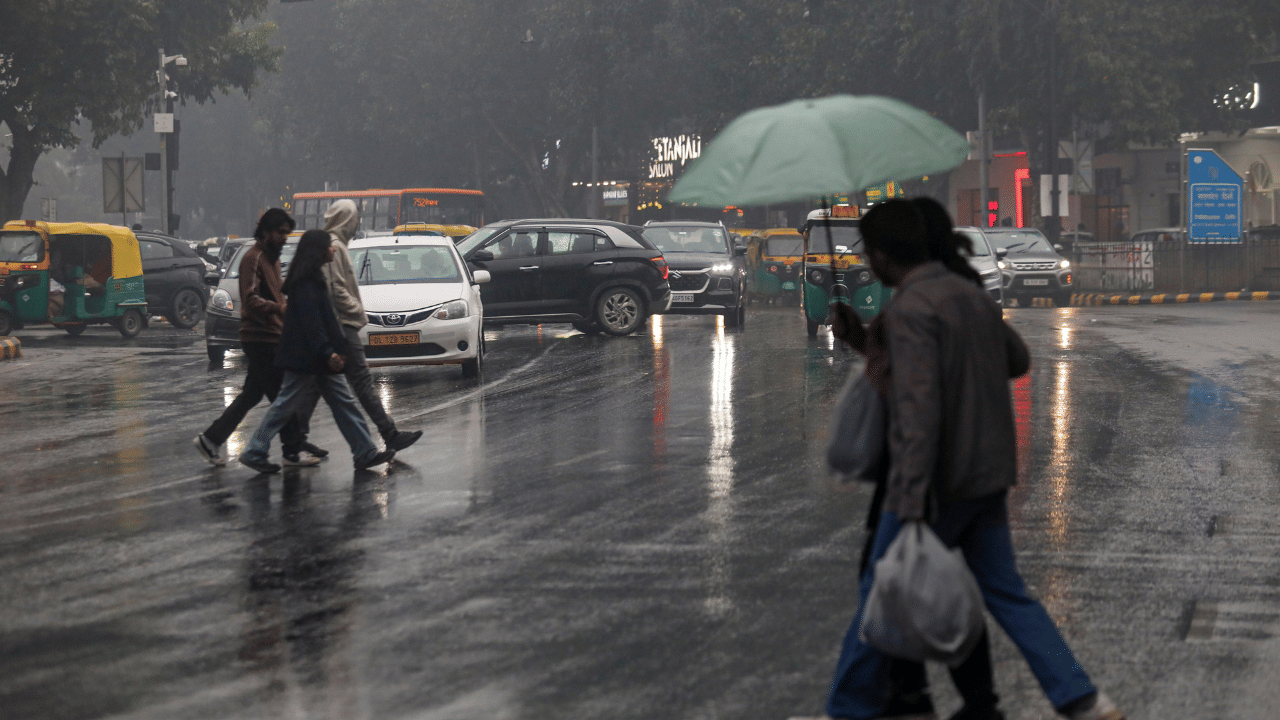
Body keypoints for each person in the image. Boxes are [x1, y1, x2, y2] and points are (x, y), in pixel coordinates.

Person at [804, 199, 1123, 720]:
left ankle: (847, 706)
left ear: (885, 254)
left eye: (868, 250)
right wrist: (868, 340)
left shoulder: (911, 308)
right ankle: (1083, 700)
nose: (865, 261)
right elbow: (1015, 358)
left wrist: (908, 497)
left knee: (881, 587)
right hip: (989, 474)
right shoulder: (966, 295)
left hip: (939, 484)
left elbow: (918, 411)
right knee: (1008, 594)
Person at [239, 230, 395, 474]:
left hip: (316, 358)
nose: (333, 250)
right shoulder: (306, 283)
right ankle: (254, 450)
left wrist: (335, 349)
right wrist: (328, 352)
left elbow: (324, 322)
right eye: (328, 247)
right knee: (285, 405)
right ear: (318, 251)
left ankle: (365, 451)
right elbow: (313, 325)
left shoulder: (313, 279)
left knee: (343, 402)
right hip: (306, 359)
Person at [194, 209, 325, 468]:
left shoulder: (273, 260)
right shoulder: (252, 259)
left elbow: (277, 294)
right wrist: (279, 308)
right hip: (259, 337)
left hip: (272, 335)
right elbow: (250, 299)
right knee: (282, 396)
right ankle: (290, 449)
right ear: (265, 232)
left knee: (252, 395)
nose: (285, 237)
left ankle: (211, 439)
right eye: (280, 232)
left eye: (288, 233)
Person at [316, 200, 421, 452]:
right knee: (361, 383)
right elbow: (336, 289)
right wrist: (357, 311)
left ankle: (294, 439)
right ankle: (388, 433)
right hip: (343, 326)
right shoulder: (335, 248)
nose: (356, 225)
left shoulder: (337, 246)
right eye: (354, 220)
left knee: (315, 389)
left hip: (338, 325)